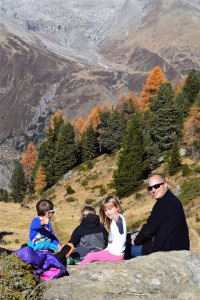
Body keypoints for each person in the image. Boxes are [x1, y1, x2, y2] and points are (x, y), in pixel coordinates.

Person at [131, 174, 190, 257]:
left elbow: (148, 231)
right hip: (179, 248)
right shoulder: (174, 200)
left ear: (165, 185)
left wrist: (136, 241)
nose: (153, 190)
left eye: (156, 186)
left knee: (126, 246)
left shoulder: (162, 204)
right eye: (150, 188)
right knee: (134, 233)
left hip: (164, 252)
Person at [78, 195, 127, 267]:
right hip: (114, 253)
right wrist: (104, 251)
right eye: (105, 210)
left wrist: (117, 218)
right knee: (97, 256)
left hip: (115, 255)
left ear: (117, 208)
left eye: (110, 209)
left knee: (90, 256)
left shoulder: (119, 218)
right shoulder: (113, 221)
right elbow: (111, 243)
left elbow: (119, 222)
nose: (108, 212)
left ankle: (78, 269)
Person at [28, 199, 74, 266]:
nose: (53, 214)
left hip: (47, 250)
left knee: (69, 246)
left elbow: (52, 236)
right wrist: (44, 222)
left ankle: (62, 259)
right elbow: (37, 225)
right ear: (48, 213)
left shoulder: (48, 224)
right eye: (53, 211)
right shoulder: (35, 221)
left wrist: (58, 244)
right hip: (36, 250)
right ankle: (62, 259)